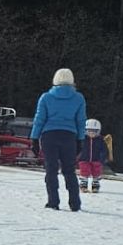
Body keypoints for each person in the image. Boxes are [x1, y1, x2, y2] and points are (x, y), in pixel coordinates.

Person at [30, 67, 88, 212]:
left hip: (49, 136)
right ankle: (75, 203)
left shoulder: (46, 97)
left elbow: (39, 119)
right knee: (69, 170)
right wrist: (80, 140)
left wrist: (34, 138)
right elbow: (81, 121)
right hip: (69, 137)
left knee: (51, 169)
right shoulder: (78, 98)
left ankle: (53, 201)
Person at [78, 118, 111, 194]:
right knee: (84, 172)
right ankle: (83, 184)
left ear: (98, 132)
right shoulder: (83, 139)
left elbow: (104, 150)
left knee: (96, 172)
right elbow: (77, 148)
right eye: (89, 131)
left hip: (96, 160)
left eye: (94, 132)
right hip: (84, 159)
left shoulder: (101, 140)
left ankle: (95, 185)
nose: (91, 133)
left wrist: (102, 159)